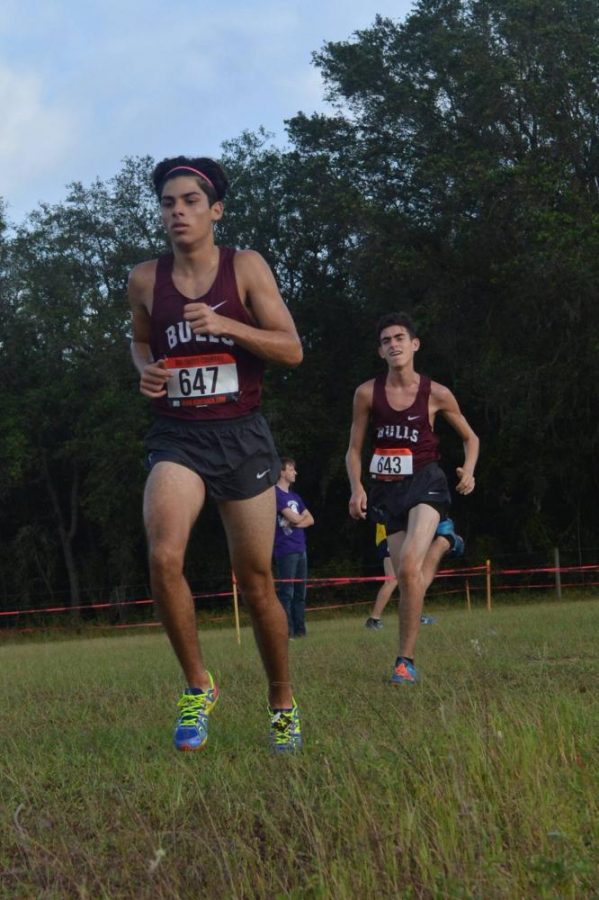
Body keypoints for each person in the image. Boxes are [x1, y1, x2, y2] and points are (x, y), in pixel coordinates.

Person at [128, 155, 303, 753]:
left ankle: (281, 703)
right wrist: (146, 372)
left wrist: (230, 327)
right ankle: (198, 686)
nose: (177, 211)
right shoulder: (146, 279)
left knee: (256, 583)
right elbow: (139, 341)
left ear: (215, 210)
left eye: (190, 202)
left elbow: (291, 349)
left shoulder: (245, 267)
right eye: (168, 203)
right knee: (163, 554)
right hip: (177, 436)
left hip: (242, 435)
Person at [346, 312, 479, 684]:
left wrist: (468, 470)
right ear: (380, 351)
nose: (394, 344)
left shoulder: (436, 393)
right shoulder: (367, 393)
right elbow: (354, 449)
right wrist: (357, 487)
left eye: (400, 337)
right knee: (408, 577)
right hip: (386, 490)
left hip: (426, 482)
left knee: (406, 568)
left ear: (414, 344)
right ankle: (444, 544)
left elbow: (471, 438)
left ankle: (405, 661)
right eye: (387, 340)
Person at [364, 518, 465, 630]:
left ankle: (415, 614)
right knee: (392, 580)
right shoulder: (391, 506)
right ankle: (373, 619)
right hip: (389, 536)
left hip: (399, 536)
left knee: (414, 577)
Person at [273, 458, 314, 638]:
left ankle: (300, 631)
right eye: (291, 469)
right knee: (286, 593)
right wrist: (297, 520)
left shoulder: (295, 497)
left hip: (300, 548)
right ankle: (286, 632)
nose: (295, 473)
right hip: (285, 549)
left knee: (300, 594)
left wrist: (296, 521)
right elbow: (297, 518)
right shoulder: (275, 494)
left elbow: (310, 519)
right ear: (282, 472)